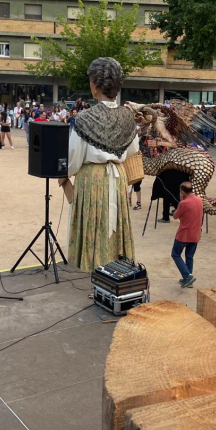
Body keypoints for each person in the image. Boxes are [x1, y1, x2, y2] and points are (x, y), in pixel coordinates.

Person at [64, 58, 139, 272]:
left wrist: (65, 174)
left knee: (95, 225)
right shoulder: (127, 117)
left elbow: (74, 157)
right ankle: (115, 269)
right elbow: (133, 149)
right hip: (118, 177)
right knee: (114, 226)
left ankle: (96, 268)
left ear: (95, 86)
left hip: (93, 179)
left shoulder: (85, 117)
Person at [171, 181, 203, 289]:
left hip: (184, 234)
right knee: (189, 256)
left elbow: (175, 216)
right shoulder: (199, 200)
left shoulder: (183, 203)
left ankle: (187, 276)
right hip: (195, 234)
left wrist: (181, 202)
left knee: (175, 254)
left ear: (182, 192)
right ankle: (188, 279)